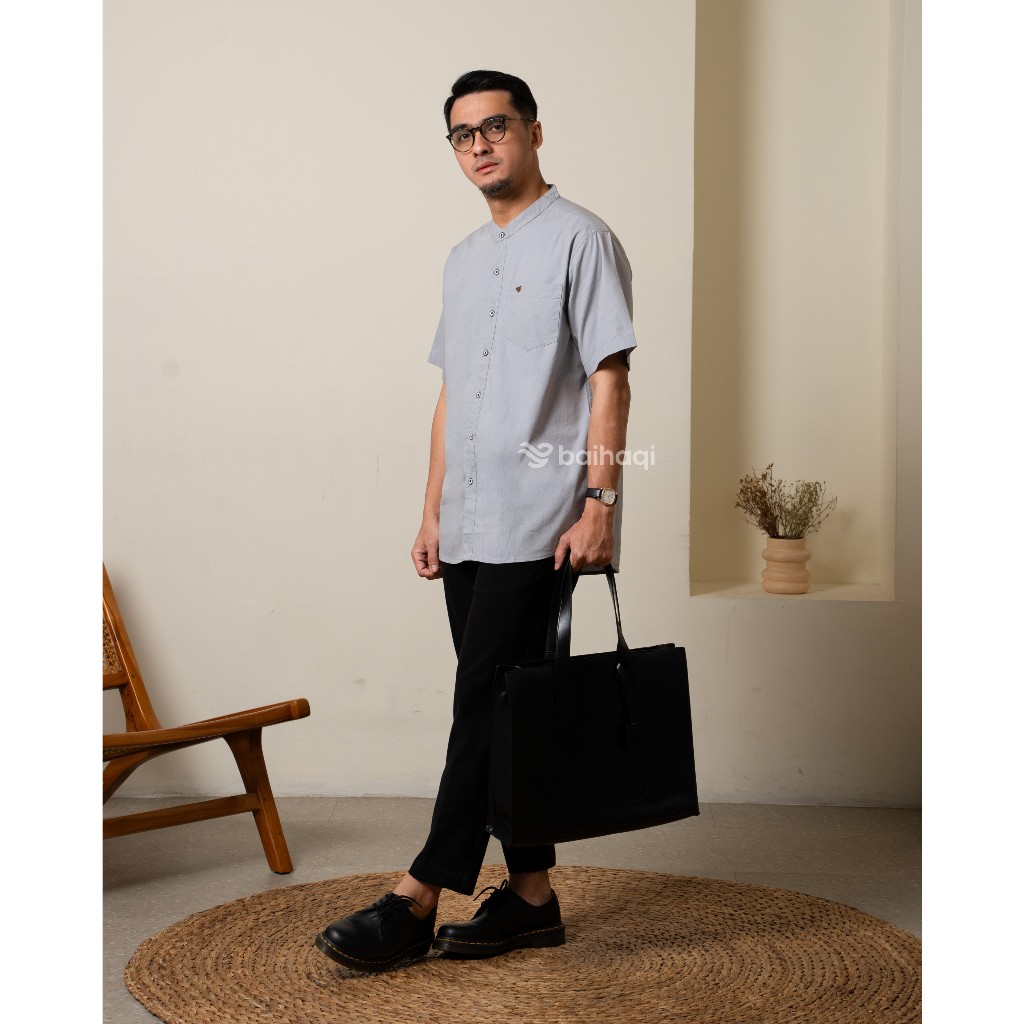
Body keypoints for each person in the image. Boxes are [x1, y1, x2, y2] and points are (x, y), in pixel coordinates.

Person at [315, 69, 636, 973]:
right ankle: (532, 898)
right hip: (466, 522)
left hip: (542, 522)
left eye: (497, 126)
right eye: (464, 134)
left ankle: (418, 895)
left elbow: (610, 379)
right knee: (508, 709)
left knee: (480, 706)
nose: (481, 145)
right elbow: (451, 394)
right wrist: (431, 511)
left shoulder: (583, 239)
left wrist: (601, 504)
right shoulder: (461, 259)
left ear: (533, 131)